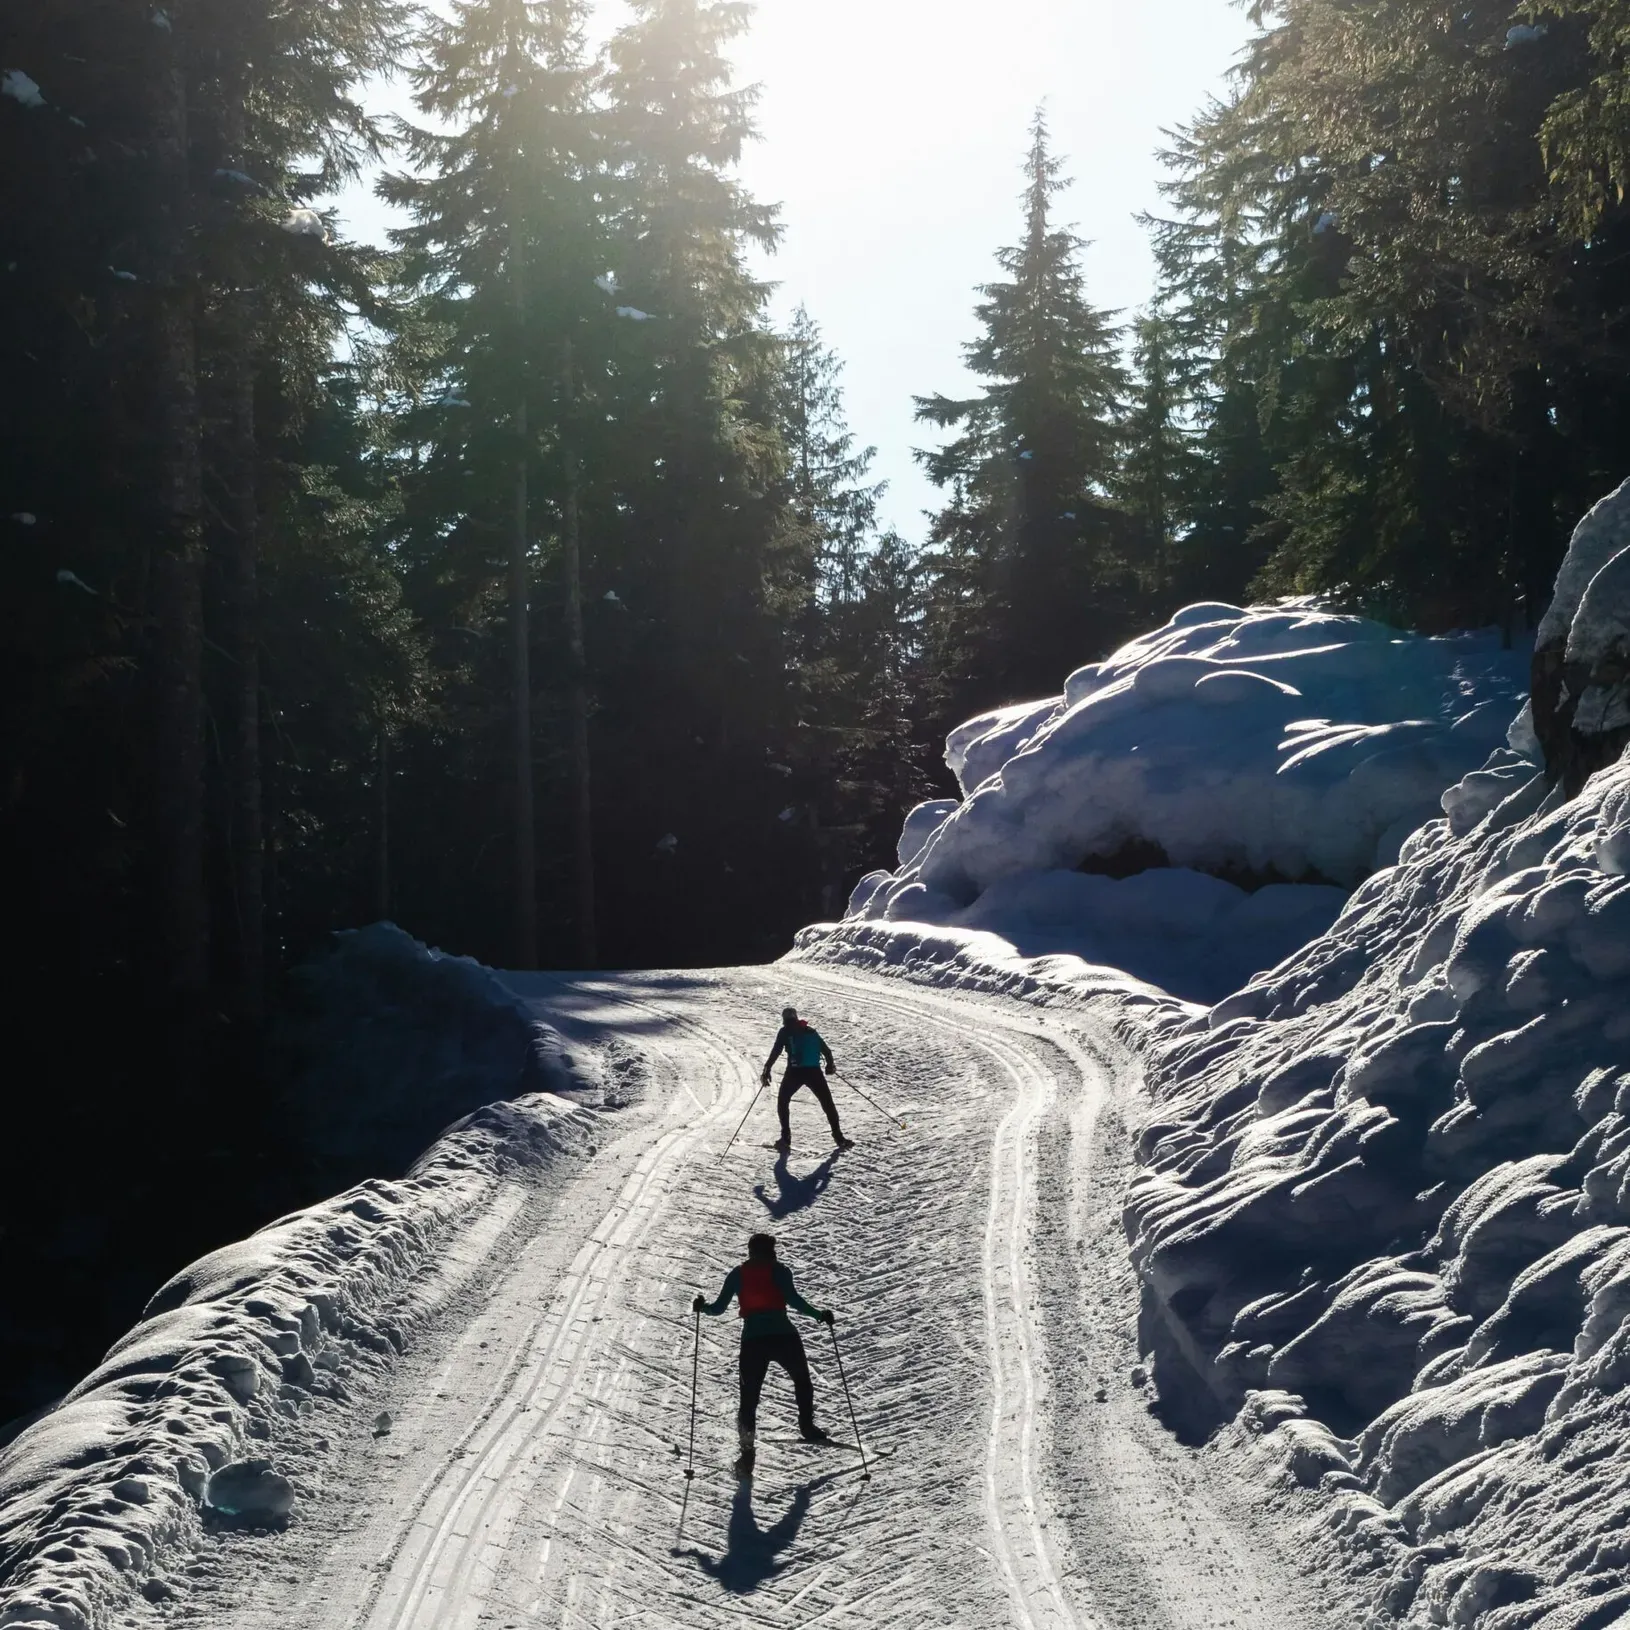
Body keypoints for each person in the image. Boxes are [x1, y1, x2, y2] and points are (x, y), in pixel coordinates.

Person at [693, 1231, 836, 1478]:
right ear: (771, 1251)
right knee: (802, 1381)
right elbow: (793, 1300)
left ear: (750, 1251)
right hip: (784, 1336)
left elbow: (718, 1309)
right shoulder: (780, 1270)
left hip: (753, 1341)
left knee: (749, 1395)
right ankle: (807, 1427)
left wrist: (701, 1308)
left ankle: (747, 1446)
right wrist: (819, 1315)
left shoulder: (737, 1275)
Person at [762, 1005, 852, 1154]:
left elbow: (776, 1051)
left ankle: (785, 1138)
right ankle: (839, 1137)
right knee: (827, 1103)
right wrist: (830, 1066)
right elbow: (826, 1051)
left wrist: (767, 1069)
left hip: (794, 1073)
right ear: (796, 1018)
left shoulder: (785, 1032)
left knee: (783, 1101)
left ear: (784, 1019)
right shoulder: (810, 1031)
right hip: (814, 1072)